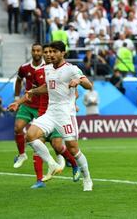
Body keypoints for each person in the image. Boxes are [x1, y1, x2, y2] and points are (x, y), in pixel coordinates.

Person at [23, 41, 93, 191]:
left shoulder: (71, 69)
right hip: (50, 113)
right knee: (30, 136)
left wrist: (79, 80)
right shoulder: (47, 69)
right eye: (48, 52)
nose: (50, 55)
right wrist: (32, 91)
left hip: (65, 115)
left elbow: (89, 85)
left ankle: (87, 178)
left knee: (73, 149)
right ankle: (53, 164)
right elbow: (48, 87)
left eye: (54, 52)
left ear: (63, 53)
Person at [8, 44, 80, 189]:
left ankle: (74, 166)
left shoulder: (65, 71)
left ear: (57, 53)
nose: (48, 54)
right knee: (33, 140)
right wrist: (18, 102)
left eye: (50, 52)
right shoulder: (39, 72)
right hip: (44, 113)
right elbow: (32, 92)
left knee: (58, 146)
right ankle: (40, 179)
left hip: (59, 114)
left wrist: (72, 104)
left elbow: (75, 92)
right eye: (46, 52)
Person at [13, 43, 45, 169]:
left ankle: (62, 155)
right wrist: (16, 98)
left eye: (38, 51)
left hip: (42, 106)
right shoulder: (24, 68)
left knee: (43, 138)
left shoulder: (48, 67)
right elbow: (19, 80)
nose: (36, 53)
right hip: (27, 104)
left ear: (42, 52)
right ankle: (22, 155)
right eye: (34, 50)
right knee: (17, 128)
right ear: (31, 52)